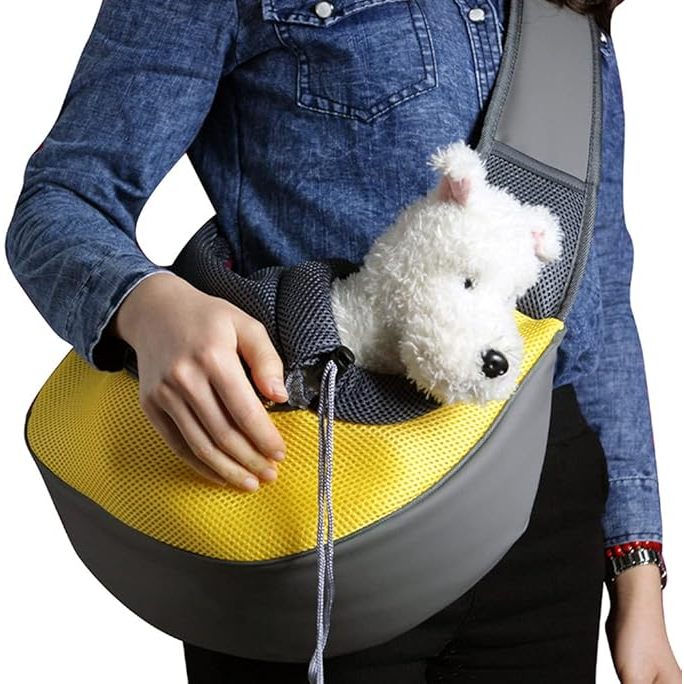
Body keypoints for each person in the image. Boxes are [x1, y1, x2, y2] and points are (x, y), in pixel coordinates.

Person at [4, 0, 680, 681]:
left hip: (544, 511)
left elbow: (598, 307)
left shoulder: (563, 12)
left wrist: (637, 575)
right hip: (315, 495)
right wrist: (148, 306)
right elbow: (62, 199)